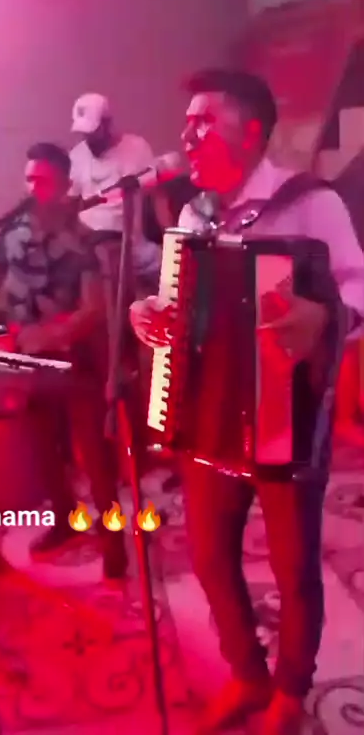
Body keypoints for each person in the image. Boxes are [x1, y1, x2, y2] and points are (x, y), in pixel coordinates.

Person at [129, 70, 364, 734]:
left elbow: (359, 283)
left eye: (204, 120)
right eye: (187, 123)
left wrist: (328, 316)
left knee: (293, 568)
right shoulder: (193, 215)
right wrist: (151, 313)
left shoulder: (309, 203)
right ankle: (247, 674)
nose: (187, 135)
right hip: (208, 414)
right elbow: (176, 301)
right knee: (209, 557)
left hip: (285, 409)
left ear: (252, 130)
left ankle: (291, 688)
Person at [0, 142, 128, 581]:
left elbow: (94, 308)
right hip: (28, 360)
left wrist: (51, 335)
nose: (34, 188)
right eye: (29, 179)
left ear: (64, 185)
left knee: (94, 457)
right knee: (44, 448)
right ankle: (65, 520)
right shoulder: (10, 234)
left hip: (76, 361)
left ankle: (114, 544)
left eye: (44, 181)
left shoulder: (83, 239)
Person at [69, 92, 163, 295]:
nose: (89, 140)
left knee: (174, 272)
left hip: (132, 244)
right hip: (92, 244)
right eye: (84, 134)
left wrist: (170, 232)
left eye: (93, 132)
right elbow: (69, 204)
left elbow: (156, 196)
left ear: (107, 123)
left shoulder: (136, 148)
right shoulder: (76, 156)